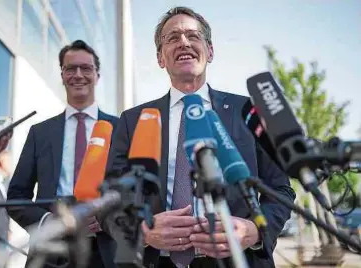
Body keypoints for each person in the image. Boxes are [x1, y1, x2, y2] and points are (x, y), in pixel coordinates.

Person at [108, 6, 295, 268]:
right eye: (172, 38)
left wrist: (254, 231)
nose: (183, 42)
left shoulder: (249, 111)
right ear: (161, 58)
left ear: (210, 51)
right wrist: (141, 231)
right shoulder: (133, 120)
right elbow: (112, 197)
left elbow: (280, 189)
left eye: (193, 36)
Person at [7, 40, 119, 268]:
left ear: (97, 76)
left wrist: (107, 218)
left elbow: (135, 193)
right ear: (62, 75)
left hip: (107, 252)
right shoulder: (40, 132)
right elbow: (16, 196)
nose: (78, 75)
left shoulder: (121, 128)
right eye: (71, 68)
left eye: (86, 68)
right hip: (50, 251)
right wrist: (48, 221)